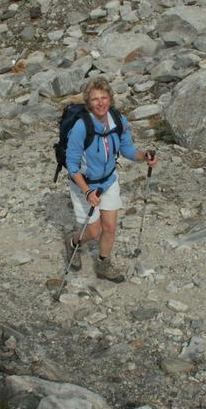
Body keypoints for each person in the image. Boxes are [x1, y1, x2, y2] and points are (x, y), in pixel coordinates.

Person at [64, 76, 158, 283]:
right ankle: (72, 242)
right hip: (84, 184)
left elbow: (127, 149)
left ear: (110, 98)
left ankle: (103, 264)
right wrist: (87, 191)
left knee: (109, 228)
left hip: (108, 181)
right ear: (88, 103)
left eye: (104, 97)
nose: (100, 103)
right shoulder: (81, 127)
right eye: (95, 99)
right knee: (92, 231)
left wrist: (144, 156)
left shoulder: (118, 120)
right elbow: (71, 165)